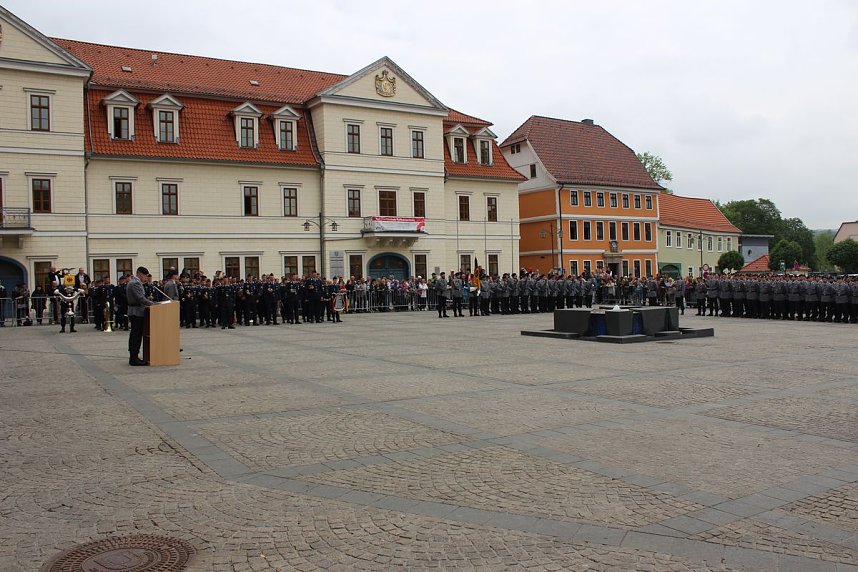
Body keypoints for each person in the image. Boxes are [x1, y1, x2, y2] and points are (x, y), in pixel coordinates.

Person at [127, 266, 155, 366]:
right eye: (145, 276)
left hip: (136, 311)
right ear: (140, 274)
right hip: (137, 312)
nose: (146, 278)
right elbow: (140, 298)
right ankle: (134, 358)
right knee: (136, 335)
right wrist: (153, 304)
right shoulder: (135, 283)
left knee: (135, 334)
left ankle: (134, 356)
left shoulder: (134, 282)